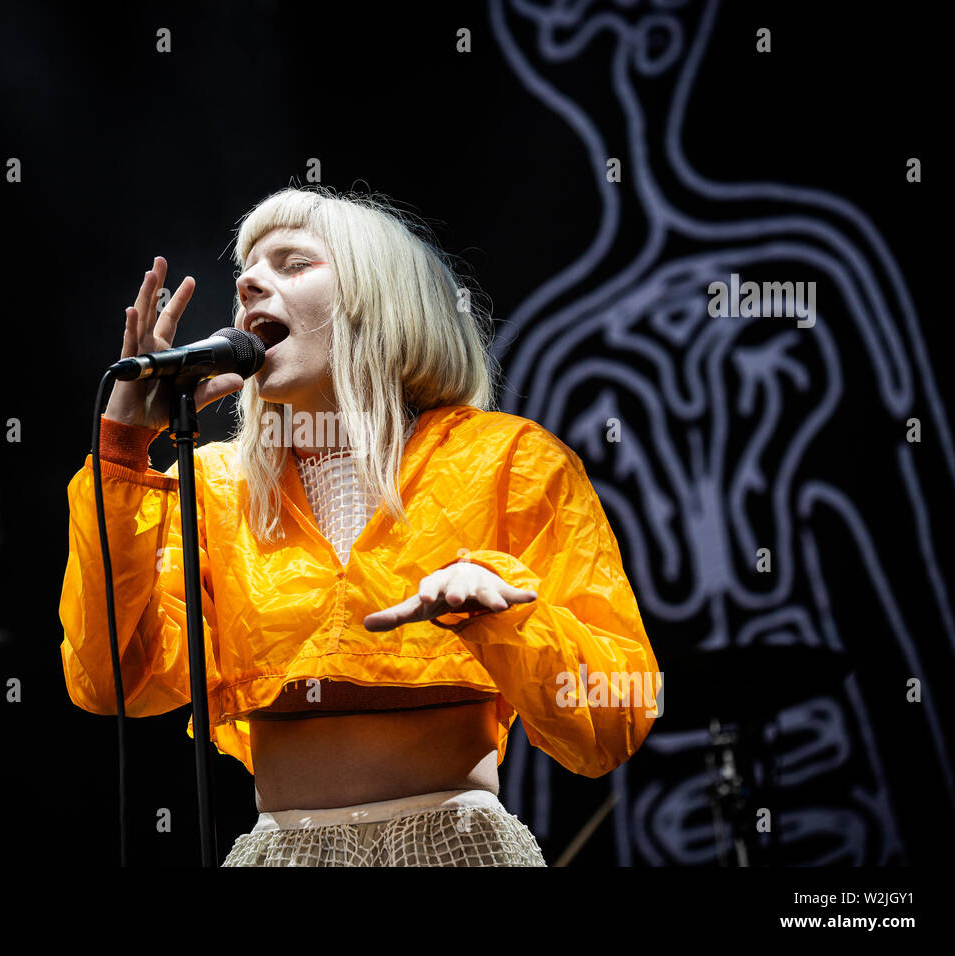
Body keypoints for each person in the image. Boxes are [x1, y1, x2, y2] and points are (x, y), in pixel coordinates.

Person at [58, 185, 661, 866]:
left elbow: (615, 721)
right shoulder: (213, 487)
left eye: (293, 264)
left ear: (378, 300)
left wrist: (502, 614)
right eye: (245, 277)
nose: (251, 283)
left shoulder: (509, 461)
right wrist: (124, 449)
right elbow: (109, 681)